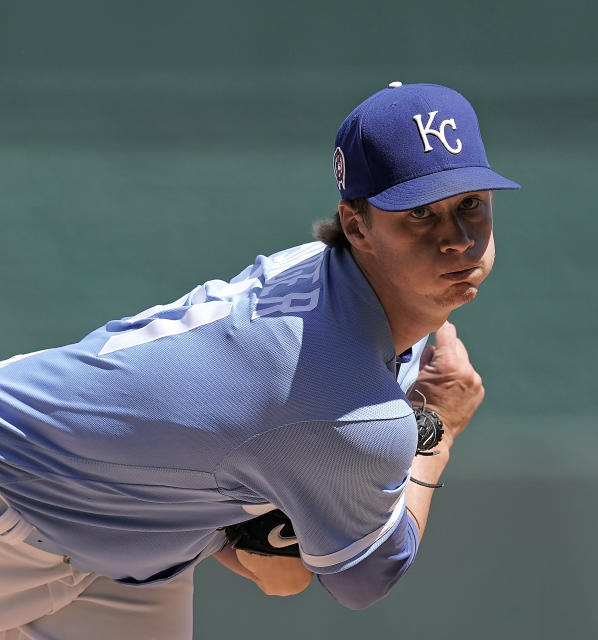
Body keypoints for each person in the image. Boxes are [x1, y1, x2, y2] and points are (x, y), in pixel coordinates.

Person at [0, 82, 519, 638]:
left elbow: (279, 563)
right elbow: (365, 578)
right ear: (357, 226)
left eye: (470, 204)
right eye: (418, 213)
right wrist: (441, 427)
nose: (458, 239)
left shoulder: (328, 274)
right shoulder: (341, 401)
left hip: (122, 547)